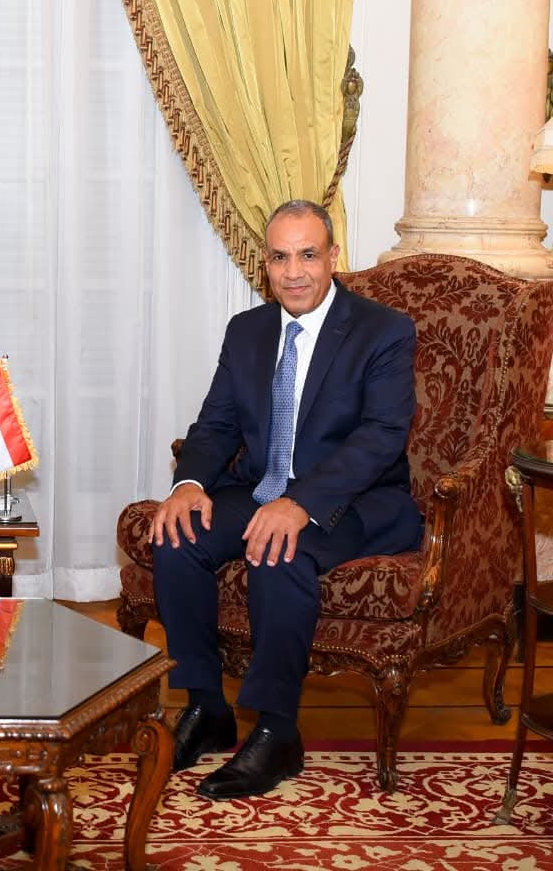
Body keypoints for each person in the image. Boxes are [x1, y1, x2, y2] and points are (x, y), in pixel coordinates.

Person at [150, 200, 422, 800]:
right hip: (262, 487)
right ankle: (206, 707)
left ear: (332, 257)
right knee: (177, 536)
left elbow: (381, 437)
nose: (294, 272)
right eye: (280, 257)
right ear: (265, 264)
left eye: (308, 254)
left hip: (358, 500)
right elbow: (216, 425)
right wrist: (187, 485)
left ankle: (277, 732)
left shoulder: (383, 331)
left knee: (278, 548)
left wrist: (301, 503)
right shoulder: (246, 331)